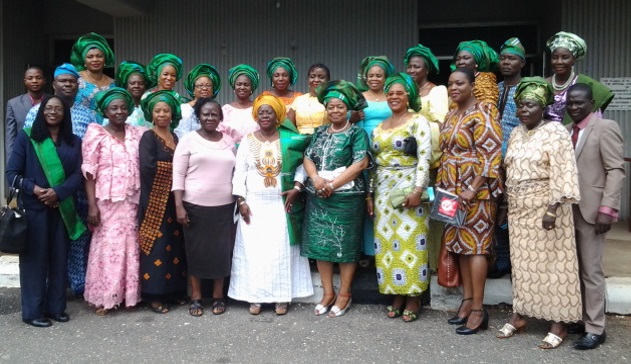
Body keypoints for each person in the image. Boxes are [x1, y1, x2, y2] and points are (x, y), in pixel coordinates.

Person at [497, 77, 582, 349]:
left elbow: (563, 169)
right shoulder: (516, 133)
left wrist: (553, 208)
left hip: (547, 209)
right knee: (522, 267)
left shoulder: (555, 131)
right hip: (520, 211)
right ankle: (520, 315)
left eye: (530, 105)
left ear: (543, 106)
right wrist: (506, 205)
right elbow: (509, 170)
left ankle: (559, 322)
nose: (523, 110)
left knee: (554, 266)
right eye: (520, 105)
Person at [229, 94, 313, 315]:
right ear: (256, 116)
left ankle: (281, 298)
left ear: (278, 116)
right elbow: (240, 172)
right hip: (254, 206)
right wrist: (241, 200)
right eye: (262, 112)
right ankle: (255, 298)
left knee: (280, 252)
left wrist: (297, 187)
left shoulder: (290, 139)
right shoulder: (247, 140)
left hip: (281, 207)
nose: (265, 115)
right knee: (255, 253)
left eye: (270, 112)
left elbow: (301, 165)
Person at [6, 95, 85, 327]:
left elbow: (77, 176)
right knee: (34, 261)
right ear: (41, 112)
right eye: (48, 108)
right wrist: (36, 189)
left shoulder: (74, 141)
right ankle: (32, 312)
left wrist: (58, 192)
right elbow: (11, 174)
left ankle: (56, 307)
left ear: (65, 113)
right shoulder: (27, 138)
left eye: (57, 109)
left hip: (61, 208)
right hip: (34, 209)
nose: (52, 112)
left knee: (59, 259)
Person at [438, 68, 502, 335]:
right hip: (451, 191)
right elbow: (446, 151)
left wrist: (472, 188)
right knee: (459, 246)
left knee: (476, 247)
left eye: (460, 83)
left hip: (476, 191)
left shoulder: (483, 111)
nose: (454, 88)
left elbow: (492, 155)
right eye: (451, 83)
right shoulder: (452, 114)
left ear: (471, 86)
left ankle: (478, 309)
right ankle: (466, 300)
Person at [24, 63, 97, 298]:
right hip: (46, 193)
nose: (67, 84)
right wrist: (42, 189)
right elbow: (29, 154)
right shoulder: (36, 113)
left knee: (78, 236)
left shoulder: (88, 114)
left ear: (78, 85)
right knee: (47, 241)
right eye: (62, 81)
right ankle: (50, 288)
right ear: (54, 84)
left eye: (72, 81)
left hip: (77, 189)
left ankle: (77, 286)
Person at [301, 80, 370, 318]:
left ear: (348, 109)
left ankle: (344, 293)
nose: (335, 111)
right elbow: (308, 157)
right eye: (330, 107)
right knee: (321, 245)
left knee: (345, 245)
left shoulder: (356, 133)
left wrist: (332, 185)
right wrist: (316, 179)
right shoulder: (320, 132)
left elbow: (361, 163)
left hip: (346, 198)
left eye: (340, 107)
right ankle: (328, 292)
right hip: (319, 196)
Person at [368, 73, 431, 322]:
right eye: (390, 93)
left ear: (409, 96)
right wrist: (369, 195)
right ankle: (396, 293)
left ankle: (413, 295)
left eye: (399, 93)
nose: (394, 97)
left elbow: (425, 158)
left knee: (411, 241)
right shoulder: (379, 127)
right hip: (383, 192)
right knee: (386, 245)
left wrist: (417, 191)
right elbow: (373, 163)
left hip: (408, 187)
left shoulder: (418, 122)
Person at [566, 83, 625, 350]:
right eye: (570, 103)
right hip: (569, 212)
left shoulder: (605, 128)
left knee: (591, 271)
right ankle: (581, 318)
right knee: (573, 270)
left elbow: (615, 170)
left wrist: (607, 209)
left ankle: (596, 328)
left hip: (593, 211)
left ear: (592, 104)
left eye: (579, 102)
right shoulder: (566, 132)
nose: (574, 107)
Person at [82, 88, 145, 315]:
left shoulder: (137, 133)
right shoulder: (96, 134)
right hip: (106, 201)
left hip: (131, 201)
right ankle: (104, 297)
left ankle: (129, 296)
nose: (119, 111)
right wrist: (92, 205)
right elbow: (89, 173)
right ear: (105, 111)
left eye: (123, 107)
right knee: (108, 248)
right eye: (113, 108)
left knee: (130, 246)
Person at [173, 98, 236, 317]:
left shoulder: (229, 142)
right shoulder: (188, 140)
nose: (210, 118)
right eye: (205, 114)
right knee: (196, 252)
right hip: (194, 206)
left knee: (221, 252)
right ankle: (197, 297)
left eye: (214, 114)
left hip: (224, 207)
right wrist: (179, 206)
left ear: (221, 117)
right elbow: (178, 175)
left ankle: (219, 295)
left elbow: (236, 173)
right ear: (198, 116)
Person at [138, 90, 188, 313]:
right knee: (157, 248)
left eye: (166, 110)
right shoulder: (148, 137)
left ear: (172, 113)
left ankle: (174, 290)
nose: (161, 114)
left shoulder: (176, 137)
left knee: (175, 247)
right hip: (155, 201)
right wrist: (175, 171)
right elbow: (148, 167)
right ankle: (154, 295)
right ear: (151, 114)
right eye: (157, 110)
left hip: (175, 200)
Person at [404, 44, 449, 271]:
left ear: (427, 69)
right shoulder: (405, 92)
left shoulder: (437, 91)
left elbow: (442, 124)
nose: (412, 70)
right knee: (413, 214)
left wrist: (419, 136)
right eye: (409, 66)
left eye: (417, 67)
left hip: (433, 162)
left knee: (434, 214)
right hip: (408, 163)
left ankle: (435, 265)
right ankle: (416, 263)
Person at [491, 37, 527, 279]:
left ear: (522, 63)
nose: (506, 63)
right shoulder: (493, 89)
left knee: (514, 212)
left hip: (517, 161)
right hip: (492, 161)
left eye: (511, 58)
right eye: (503, 58)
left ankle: (519, 263)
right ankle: (502, 260)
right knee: (495, 211)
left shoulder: (526, 89)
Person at [353, 56, 394, 259]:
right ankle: (367, 250)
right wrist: (360, 153)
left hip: (388, 152)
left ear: (386, 78)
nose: (374, 79)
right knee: (364, 199)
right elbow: (356, 125)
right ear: (365, 78)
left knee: (383, 199)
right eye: (371, 75)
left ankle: (384, 247)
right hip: (366, 150)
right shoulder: (359, 97)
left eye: (379, 75)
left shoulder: (392, 96)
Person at [544, 31, 614, 124]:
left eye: (565, 57)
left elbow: (595, 121)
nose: (559, 62)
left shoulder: (586, 85)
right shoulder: (542, 84)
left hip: (576, 135)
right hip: (545, 136)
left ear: (574, 59)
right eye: (555, 57)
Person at [5, 66, 48, 160]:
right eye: (30, 78)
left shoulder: (54, 102)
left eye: (38, 77)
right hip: (24, 154)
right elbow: (10, 137)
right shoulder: (13, 104)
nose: (34, 81)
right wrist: (11, 165)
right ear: (25, 81)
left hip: (49, 154)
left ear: (44, 80)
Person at [69, 32, 116, 110]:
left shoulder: (113, 84)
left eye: (99, 56)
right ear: (84, 61)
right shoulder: (75, 79)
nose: (95, 60)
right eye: (90, 57)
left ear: (105, 59)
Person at [174, 63, 222, 138]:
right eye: (200, 85)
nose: (205, 88)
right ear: (193, 90)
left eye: (208, 85)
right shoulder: (185, 109)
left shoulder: (217, 109)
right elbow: (182, 135)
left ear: (213, 90)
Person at [219, 64, 260, 144]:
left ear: (252, 87)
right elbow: (219, 134)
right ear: (234, 87)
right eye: (239, 84)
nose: (242, 87)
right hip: (231, 152)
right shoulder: (226, 110)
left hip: (255, 152)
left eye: (246, 84)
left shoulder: (258, 108)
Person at [452, 40, 500, 105]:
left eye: (466, 58)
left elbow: (488, 111)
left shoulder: (485, 83)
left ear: (476, 62)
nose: (460, 62)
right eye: (458, 59)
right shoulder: (456, 80)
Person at [287, 63, 331, 134]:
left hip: (325, 141)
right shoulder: (299, 100)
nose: (316, 80)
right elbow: (289, 127)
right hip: (301, 142)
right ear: (307, 79)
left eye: (321, 77)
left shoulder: (332, 99)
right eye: (312, 76)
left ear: (328, 80)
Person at [112, 61, 153, 128]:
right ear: (126, 86)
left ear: (145, 86)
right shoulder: (119, 108)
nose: (136, 86)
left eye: (140, 83)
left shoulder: (150, 106)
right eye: (132, 83)